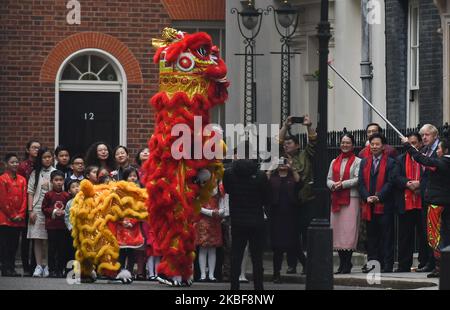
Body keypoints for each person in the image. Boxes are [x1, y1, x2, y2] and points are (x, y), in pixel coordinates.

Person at [401, 136, 450, 278]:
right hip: (446, 204)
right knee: (446, 234)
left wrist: (407, 146)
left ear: (445, 150)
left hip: (437, 204)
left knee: (434, 235)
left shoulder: (443, 162)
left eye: (439, 148)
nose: (437, 151)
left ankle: (440, 267)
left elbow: (421, 159)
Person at [223, 157, 269, 290]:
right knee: (257, 257)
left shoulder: (229, 174)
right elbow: (267, 198)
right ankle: (259, 287)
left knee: (236, 256)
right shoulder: (260, 175)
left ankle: (234, 287)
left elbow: (227, 190)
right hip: (256, 220)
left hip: (238, 219)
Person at [278, 115, 316, 274]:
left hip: (306, 200)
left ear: (297, 145)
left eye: (289, 143)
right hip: (289, 202)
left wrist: (308, 126)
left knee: (306, 235)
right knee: (291, 236)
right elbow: (277, 142)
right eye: (285, 144)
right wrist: (286, 126)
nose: (286, 146)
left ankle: (309, 264)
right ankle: (292, 264)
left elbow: (313, 143)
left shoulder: (304, 155)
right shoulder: (283, 158)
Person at [358, 133, 396, 273]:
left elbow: (390, 182)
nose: (374, 146)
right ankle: (373, 265)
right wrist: (367, 197)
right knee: (372, 238)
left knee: (386, 236)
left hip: (384, 205)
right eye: (372, 144)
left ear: (383, 146)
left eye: (377, 144)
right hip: (369, 205)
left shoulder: (390, 162)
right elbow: (361, 183)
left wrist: (378, 196)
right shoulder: (365, 162)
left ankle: (387, 265)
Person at [327, 134, 361, 274]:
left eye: (348, 143)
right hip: (336, 199)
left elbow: (358, 179)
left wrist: (343, 184)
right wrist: (333, 185)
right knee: (338, 233)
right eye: (343, 142)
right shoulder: (334, 161)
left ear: (353, 145)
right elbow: (328, 178)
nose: (345, 145)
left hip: (351, 199)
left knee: (349, 233)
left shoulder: (358, 161)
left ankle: (347, 263)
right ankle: (342, 264)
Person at [393, 132, 426, 272]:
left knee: (424, 235)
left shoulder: (425, 158)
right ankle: (403, 265)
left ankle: (424, 263)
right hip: (405, 203)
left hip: (422, 202)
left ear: (420, 144)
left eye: (415, 143)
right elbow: (395, 177)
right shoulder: (400, 159)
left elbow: (430, 176)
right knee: (405, 236)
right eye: (410, 143)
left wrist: (420, 184)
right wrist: (408, 184)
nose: (412, 145)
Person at [267, 156, 302, 283]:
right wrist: (271, 168)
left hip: (291, 214)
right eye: (280, 162)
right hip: (276, 215)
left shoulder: (292, 177)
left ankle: (306, 266)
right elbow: (264, 184)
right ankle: (276, 274)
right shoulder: (273, 178)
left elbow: (299, 183)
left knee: (294, 243)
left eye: (284, 162)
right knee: (277, 247)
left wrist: (292, 168)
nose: (282, 164)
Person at [27, 147, 56, 278]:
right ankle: (39, 266)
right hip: (37, 208)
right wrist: (30, 210)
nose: (47, 159)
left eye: (49, 157)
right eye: (44, 157)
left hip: (51, 209)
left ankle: (47, 265)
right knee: (37, 238)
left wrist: (49, 186)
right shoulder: (35, 173)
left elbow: (59, 188)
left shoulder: (56, 172)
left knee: (49, 238)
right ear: (40, 159)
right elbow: (30, 192)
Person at [416, 124, 441, 273]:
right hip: (425, 195)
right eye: (422, 135)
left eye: (427, 135)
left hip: (438, 197)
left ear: (435, 136)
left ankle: (438, 263)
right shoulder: (424, 150)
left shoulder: (440, 151)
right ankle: (430, 262)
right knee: (427, 231)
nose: (424, 137)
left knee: (437, 231)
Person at [0, 153, 27, 277]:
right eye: (12, 162)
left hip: (19, 219)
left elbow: (25, 198)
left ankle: (12, 269)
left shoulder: (22, 179)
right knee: (5, 245)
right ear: (6, 164)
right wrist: (12, 215)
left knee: (14, 245)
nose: (15, 164)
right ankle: (6, 269)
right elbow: (3, 199)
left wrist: (21, 214)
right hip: (5, 218)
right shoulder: (2, 179)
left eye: (17, 162)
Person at [17, 139, 40, 277]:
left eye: (38, 148)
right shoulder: (22, 166)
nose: (36, 150)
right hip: (25, 203)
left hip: (37, 203)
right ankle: (26, 267)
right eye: (33, 147)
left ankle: (34, 266)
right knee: (26, 236)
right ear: (27, 150)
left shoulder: (41, 164)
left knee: (36, 235)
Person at [41, 170, 71, 278]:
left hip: (63, 227)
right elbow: (44, 208)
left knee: (62, 249)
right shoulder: (48, 195)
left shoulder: (66, 195)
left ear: (64, 181)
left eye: (61, 180)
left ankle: (60, 270)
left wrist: (64, 212)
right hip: (52, 226)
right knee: (52, 249)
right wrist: (54, 211)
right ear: (51, 181)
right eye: (56, 180)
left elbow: (69, 209)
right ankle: (52, 270)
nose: (58, 182)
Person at [195, 181, 226, 282]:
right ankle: (203, 274)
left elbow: (223, 205)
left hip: (215, 221)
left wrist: (219, 212)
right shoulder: (200, 185)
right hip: (203, 220)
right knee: (203, 247)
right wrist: (210, 212)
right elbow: (197, 204)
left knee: (213, 248)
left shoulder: (220, 187)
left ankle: (211, 275)